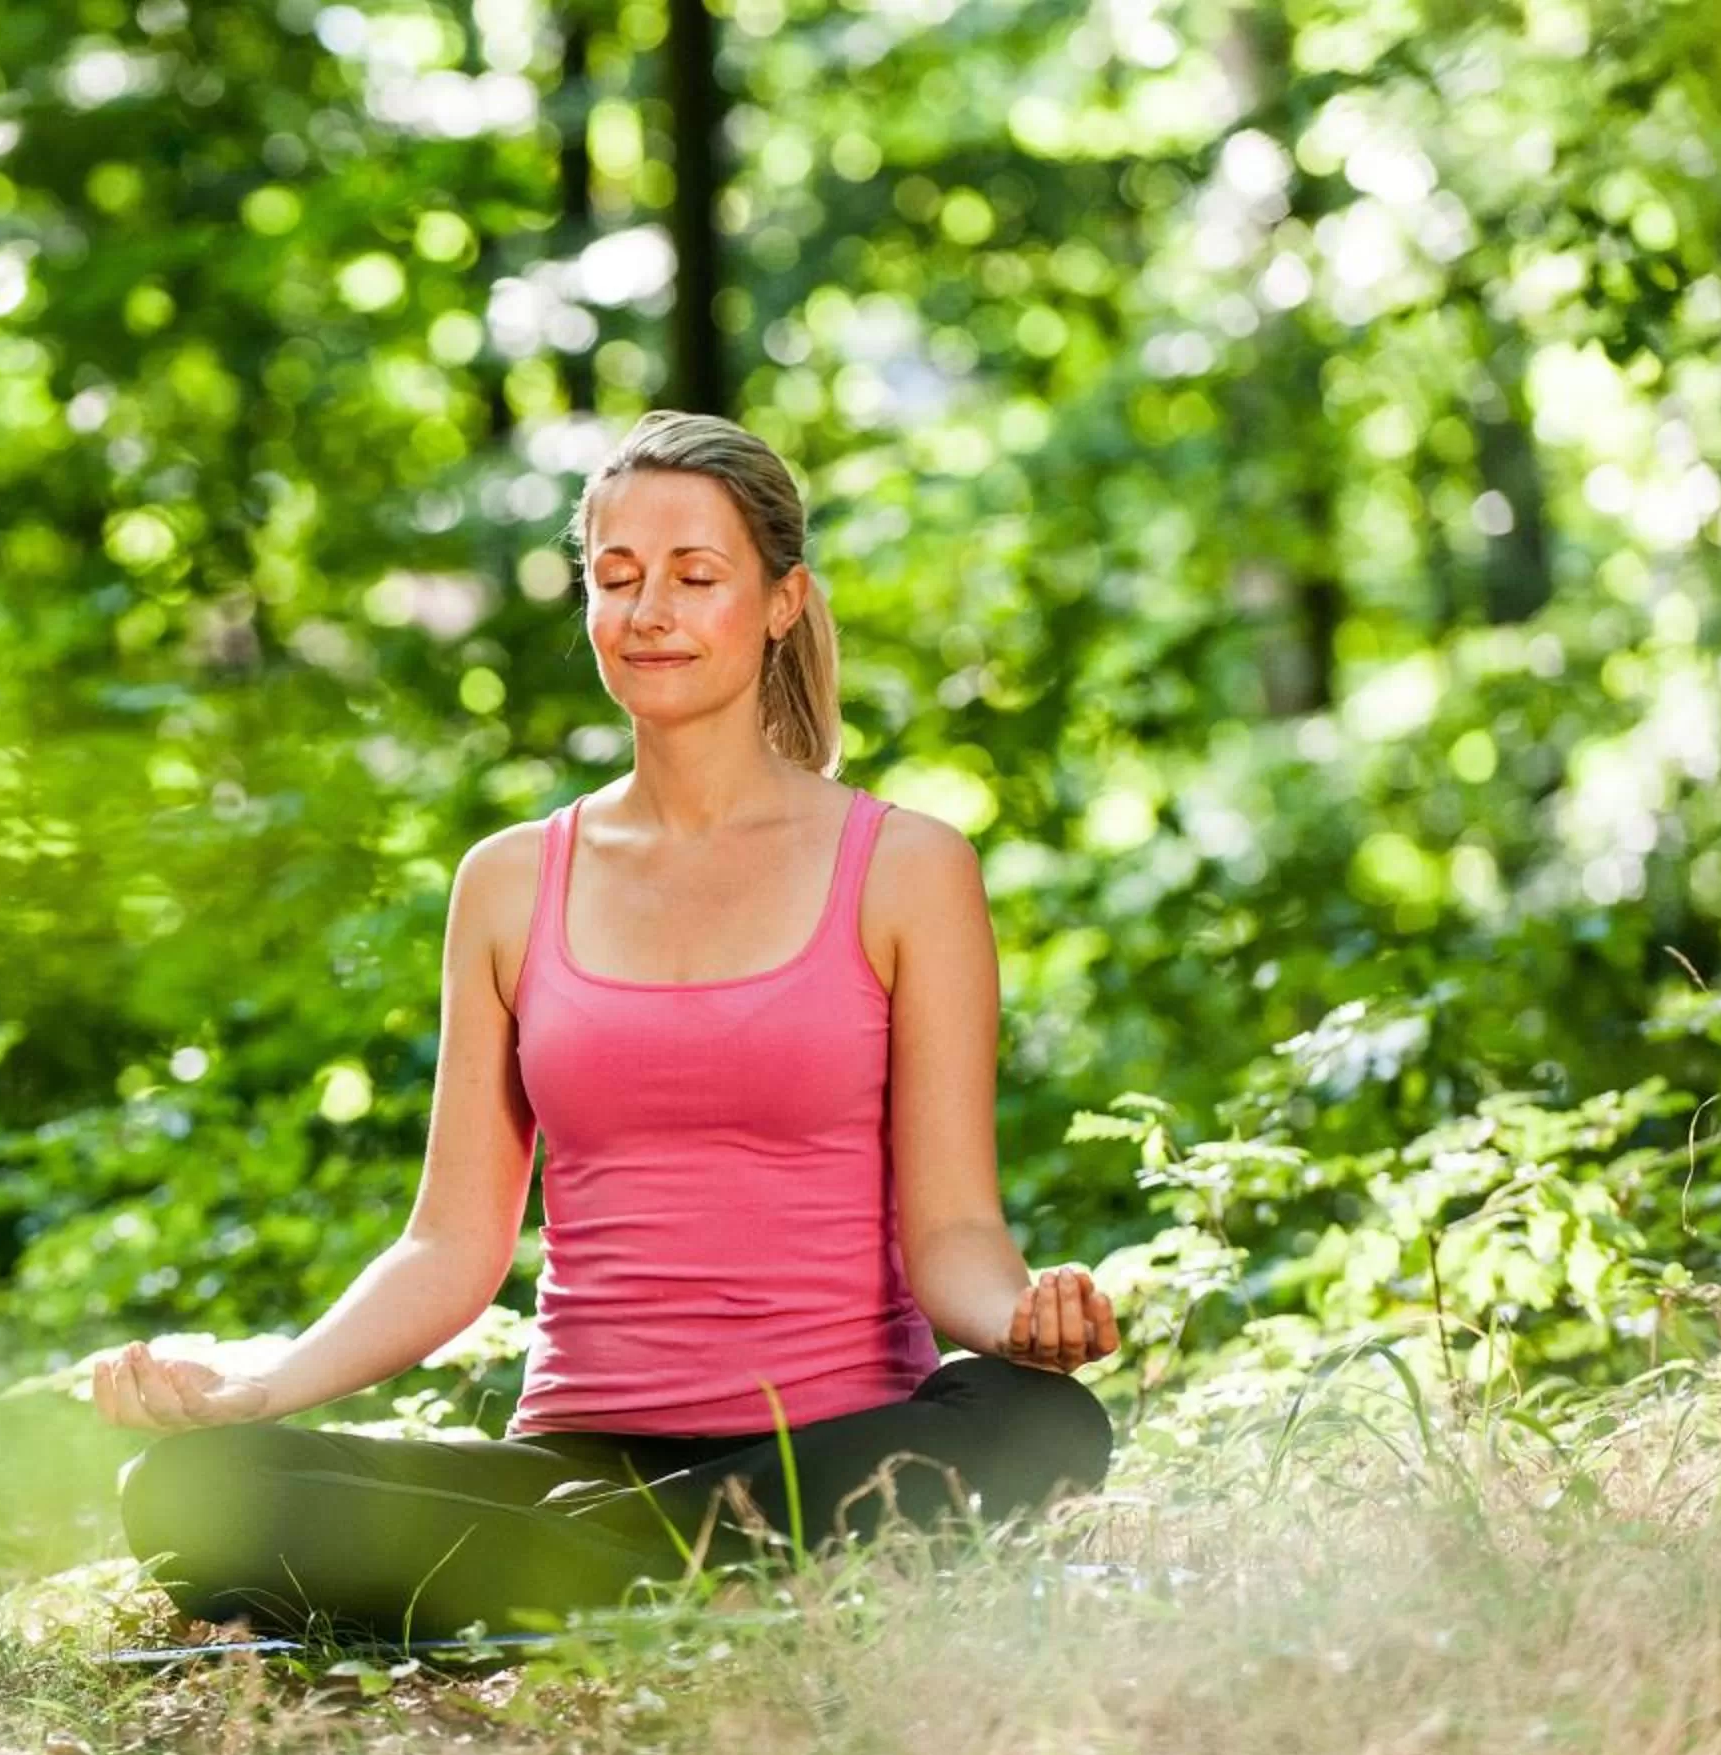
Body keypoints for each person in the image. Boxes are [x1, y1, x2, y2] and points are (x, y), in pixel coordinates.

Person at [89, 410, 1119, 1645]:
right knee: (187, 1490)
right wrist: (258, 1386)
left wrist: (1019, 1320)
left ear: (783, 601)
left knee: (1044, 1421)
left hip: (830, 1453)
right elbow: (450, 1246)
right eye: (617, 578)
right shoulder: (511, 880)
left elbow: (952, 1226)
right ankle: (671, 1579)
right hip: (580, 1458)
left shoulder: (905, 867)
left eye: (697, 577)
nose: (650, 612)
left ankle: (544, 1585)